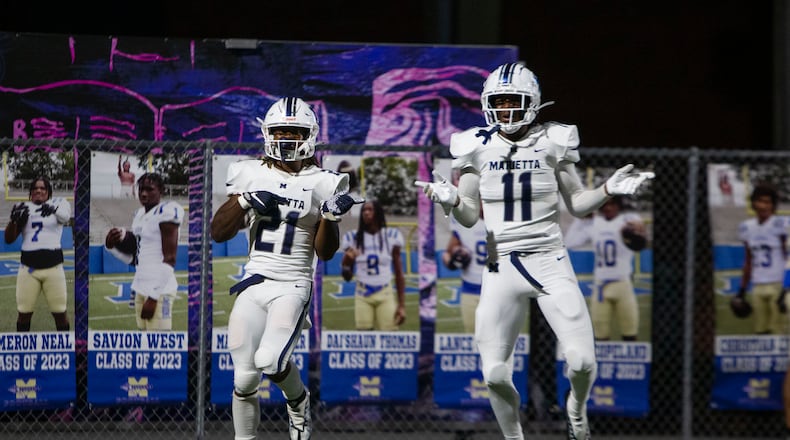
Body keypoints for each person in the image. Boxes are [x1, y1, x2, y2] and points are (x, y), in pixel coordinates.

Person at [416, 62, 654, 440]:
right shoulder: (476, 144)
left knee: (582, 362)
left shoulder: (552, 140)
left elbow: (576, 202)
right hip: (499, 266)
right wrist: (449, 201)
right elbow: (468, 215)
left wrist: (608, 189)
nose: (507, 110)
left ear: (533, 103)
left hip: (549, 260)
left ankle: (576, 408)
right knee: (494, 373)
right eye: (500, 101)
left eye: (515, 101)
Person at [210, 97, 363, 440]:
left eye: (294, 132)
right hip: (253, 282)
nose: (285, 139)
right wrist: (245, 199)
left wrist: (329, 217)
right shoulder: (249, 172)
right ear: (267, 133)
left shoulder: (325, 181)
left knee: (270, 360)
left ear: (309, 135)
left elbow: (325, 253)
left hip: (293, 283)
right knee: (244, 377)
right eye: (279, 131)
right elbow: (218, 232)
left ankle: (298, 402)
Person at [104, 172, 183, 331]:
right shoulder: (140, 214)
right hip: (140, 285)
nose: (144, 193)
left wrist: (153, 298)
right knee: (143, 340)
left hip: (161, 291)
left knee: (160, 342)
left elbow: (170, 259)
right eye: (141, 189)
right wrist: (111, 247)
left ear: (161, 191)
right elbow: (134, 260)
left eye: (149, 189)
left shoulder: (167, 211)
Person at [564, 196, 649, 341]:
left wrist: (637, 228)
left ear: (618, 206)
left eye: (612, 204)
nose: (608, 208)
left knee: (630, 334)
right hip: (601, 287)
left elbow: (641, 239)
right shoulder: (593, 224)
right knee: (600, 336)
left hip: (623, 284)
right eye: (604, 205)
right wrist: (580, 219)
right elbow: (569, 242)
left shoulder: (627, 220)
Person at [4, 177, 72, 332]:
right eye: (35, 188)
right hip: (28, 268)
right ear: (30, 192)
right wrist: (13, 221)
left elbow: (66, 217)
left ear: (48, 192)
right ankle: (23, 350)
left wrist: (53, 209)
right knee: (23, 313)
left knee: (60, 313)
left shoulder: (59, 203)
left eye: (42, 188)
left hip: (53, 267)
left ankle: (64, 349)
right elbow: (9, 239)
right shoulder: (22, 207)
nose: (38, 191)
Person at [340, 199, 406, 331]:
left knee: (390, 337)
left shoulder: (391, 236)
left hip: (385, 292)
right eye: (364, 210)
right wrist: (347, 262)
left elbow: (399, 272)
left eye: (370, 210)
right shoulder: (353, 238)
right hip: (362, 293)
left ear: (378, 213)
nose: (366, 213)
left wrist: (402, 305)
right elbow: (347, 276)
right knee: (364, 340)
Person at [732, 183, 787, 334]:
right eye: (760, 201)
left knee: (778, 332)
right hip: (758, 284)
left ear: (773, 205)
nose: (763, 205)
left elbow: (787, 255)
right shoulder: (747, 227)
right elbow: (748, 260)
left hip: (778, 283)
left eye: (768, 202)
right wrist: (741, 290)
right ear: (754, 203)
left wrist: (786, 286)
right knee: (760, 332)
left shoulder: (780, 224)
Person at [442, 209, 488, 333]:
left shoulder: (503, 221)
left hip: (496, 290)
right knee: (472, 335)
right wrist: (453, 260)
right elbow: (447, 253)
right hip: (470, 289)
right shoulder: (464, 224)